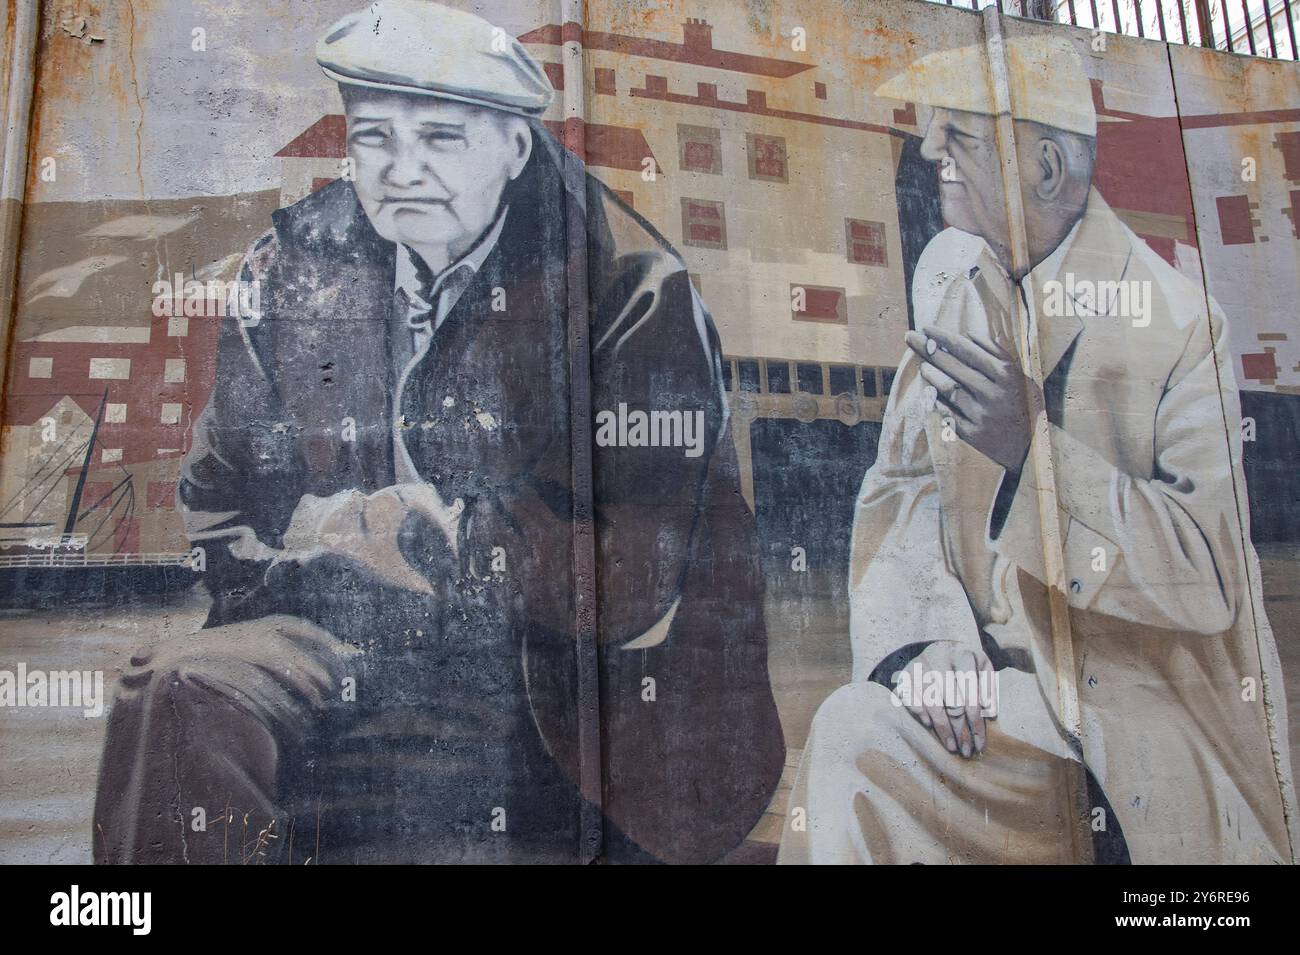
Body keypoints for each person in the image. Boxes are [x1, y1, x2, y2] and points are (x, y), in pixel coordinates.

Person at [94, 0, 783, 864]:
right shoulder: (292, 268)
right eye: (375, 136)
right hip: (345, 634)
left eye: (442, 139)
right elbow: (219, 496)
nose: (401, 170)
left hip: (554, 683)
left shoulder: (629, 290)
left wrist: (428, 532)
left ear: (515, 146)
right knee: (172, 686)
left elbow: (636, 573)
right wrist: (317, 565)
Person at [778, 35, 1296, 864]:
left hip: (1137, 732)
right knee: (851, 734)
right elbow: (907, 489)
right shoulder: (953, 285)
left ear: (1048, 171)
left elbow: (1206, 576)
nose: (930, 150)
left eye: (961, 136)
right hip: (1005, 712)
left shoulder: (1181, 323)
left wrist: (1034, 453)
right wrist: (928, 639)